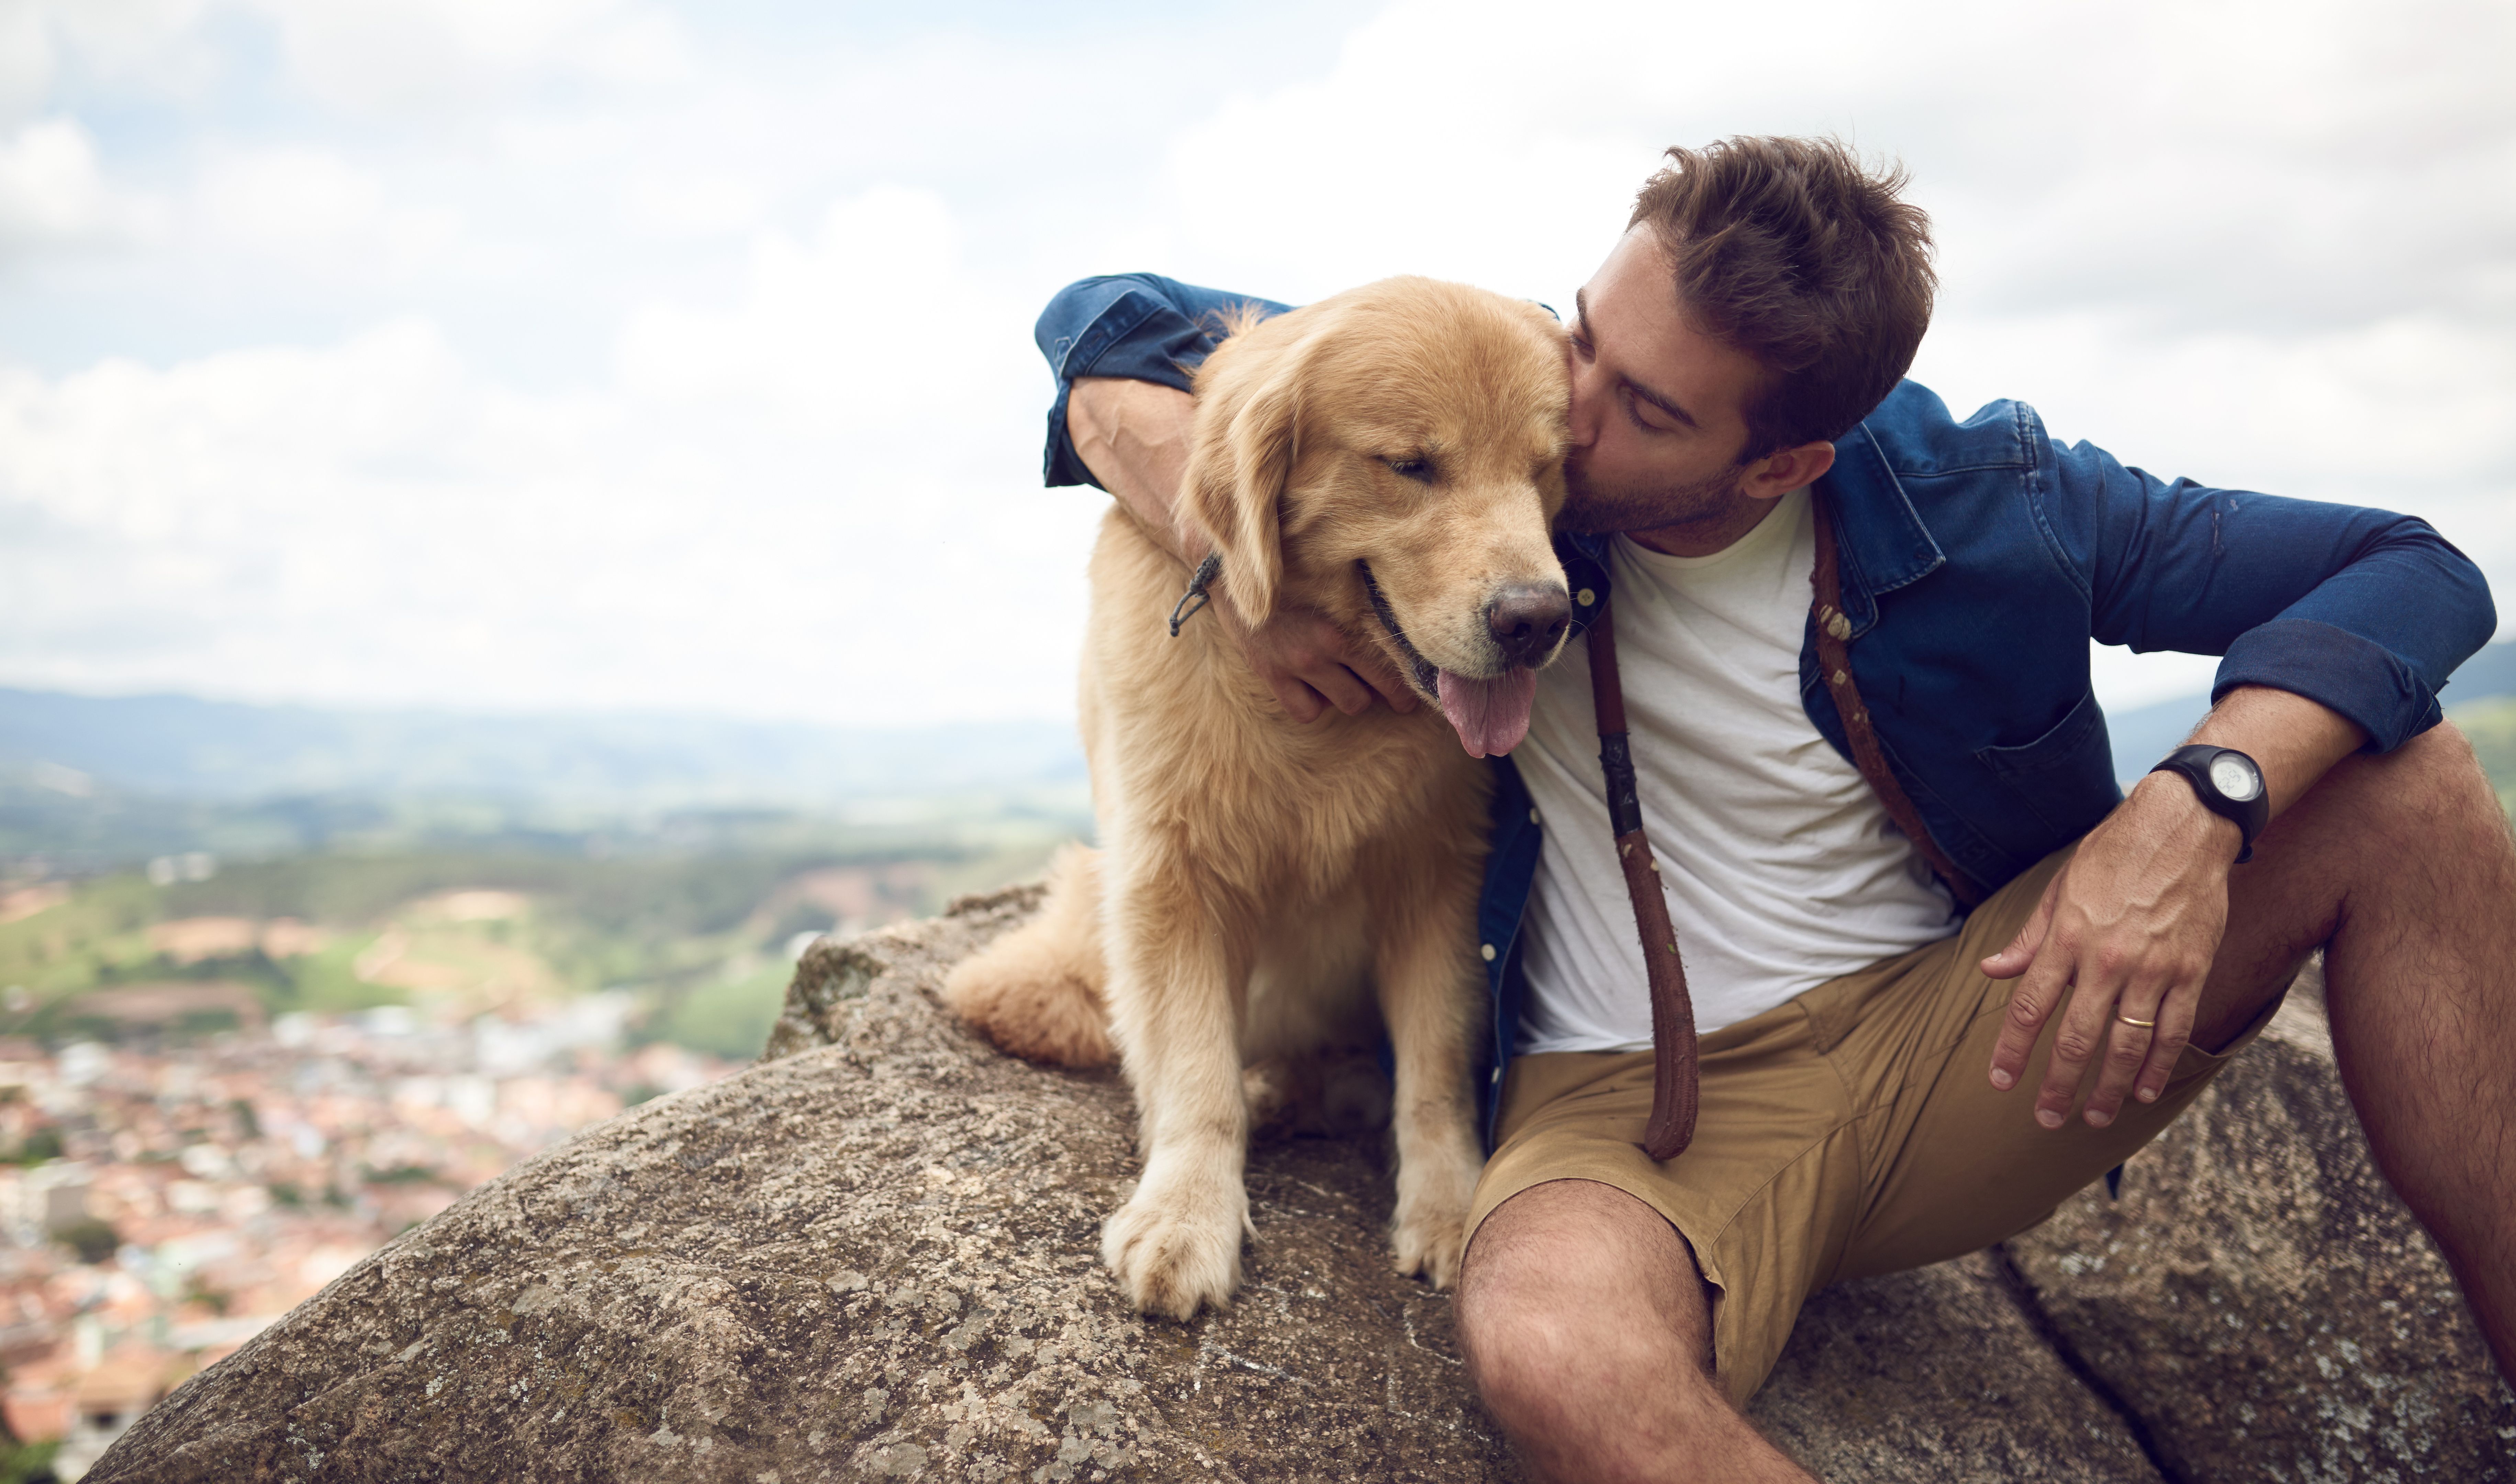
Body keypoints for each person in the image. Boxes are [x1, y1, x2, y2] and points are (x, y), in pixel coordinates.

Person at [1029, 135, 2514, 1481]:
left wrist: (2190, 810)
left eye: (1648, 410)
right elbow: (1105, 330)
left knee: (2411, 784)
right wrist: (1230, 560)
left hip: (1966, 1026)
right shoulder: (1498, 443)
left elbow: (2417, 569)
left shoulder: (1985, 496)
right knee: (1551, 1351)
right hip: (1623, 1102)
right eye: (1585, 339)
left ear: (1789, 459)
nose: (1569, 425)